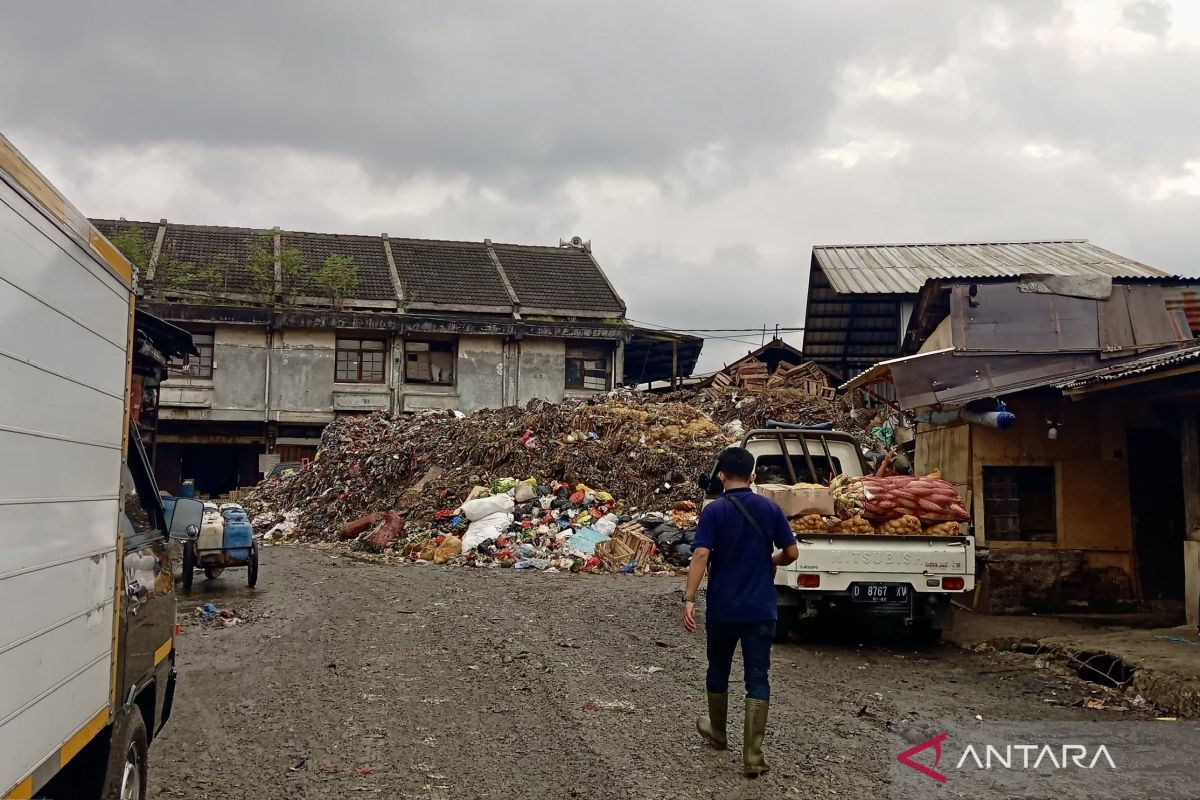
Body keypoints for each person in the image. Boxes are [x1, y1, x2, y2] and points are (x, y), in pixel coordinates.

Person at [681, 446, 799, 777]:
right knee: (757, 677)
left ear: (720, 475)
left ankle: (719, 733)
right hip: (761, 608)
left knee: (718, 667)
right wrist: (772, 561)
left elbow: (701, 554)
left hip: (723, 609)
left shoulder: (714, 512)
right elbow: (791, 552)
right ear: (753, 476)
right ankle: (753, 756)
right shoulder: (770, 508)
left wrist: (688, 598)